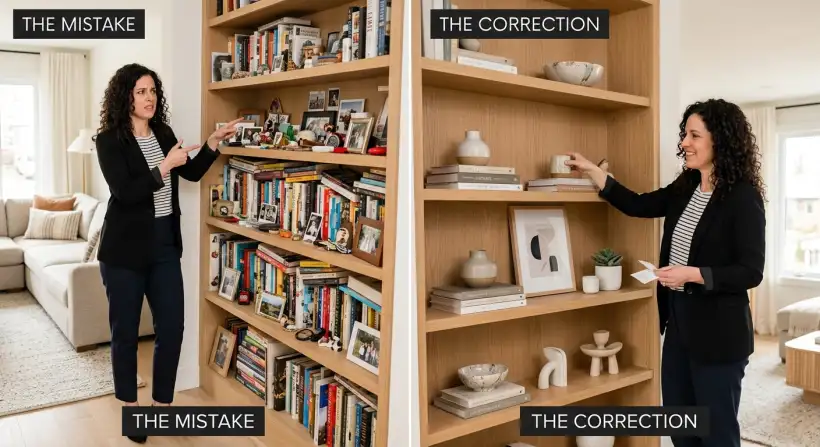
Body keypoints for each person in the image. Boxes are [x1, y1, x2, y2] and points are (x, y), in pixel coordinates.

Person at [565, 98, 765, 447]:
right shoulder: (686, 186)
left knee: (717, 434)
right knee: (681, 428)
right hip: (678, 327)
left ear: (720, 140)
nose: (684, 142)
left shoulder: (742, 198)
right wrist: (596, 174)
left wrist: (693, 275)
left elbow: (750, 271)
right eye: (684, 134)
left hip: (720, 336)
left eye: (694, 135)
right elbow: (639, 204)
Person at [94, 63, 242, 444]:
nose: (149, 98)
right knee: (125, 332)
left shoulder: (162, 132)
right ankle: (130, 409)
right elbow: (126, 192)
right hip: (124, 251)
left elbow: (189, 174)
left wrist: (212, 144)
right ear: (125, 96)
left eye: (153, 92)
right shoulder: (109, 140)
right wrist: (164, 165)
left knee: (172, 328)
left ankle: (161, 408)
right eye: (141, 91)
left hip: (163, 246)